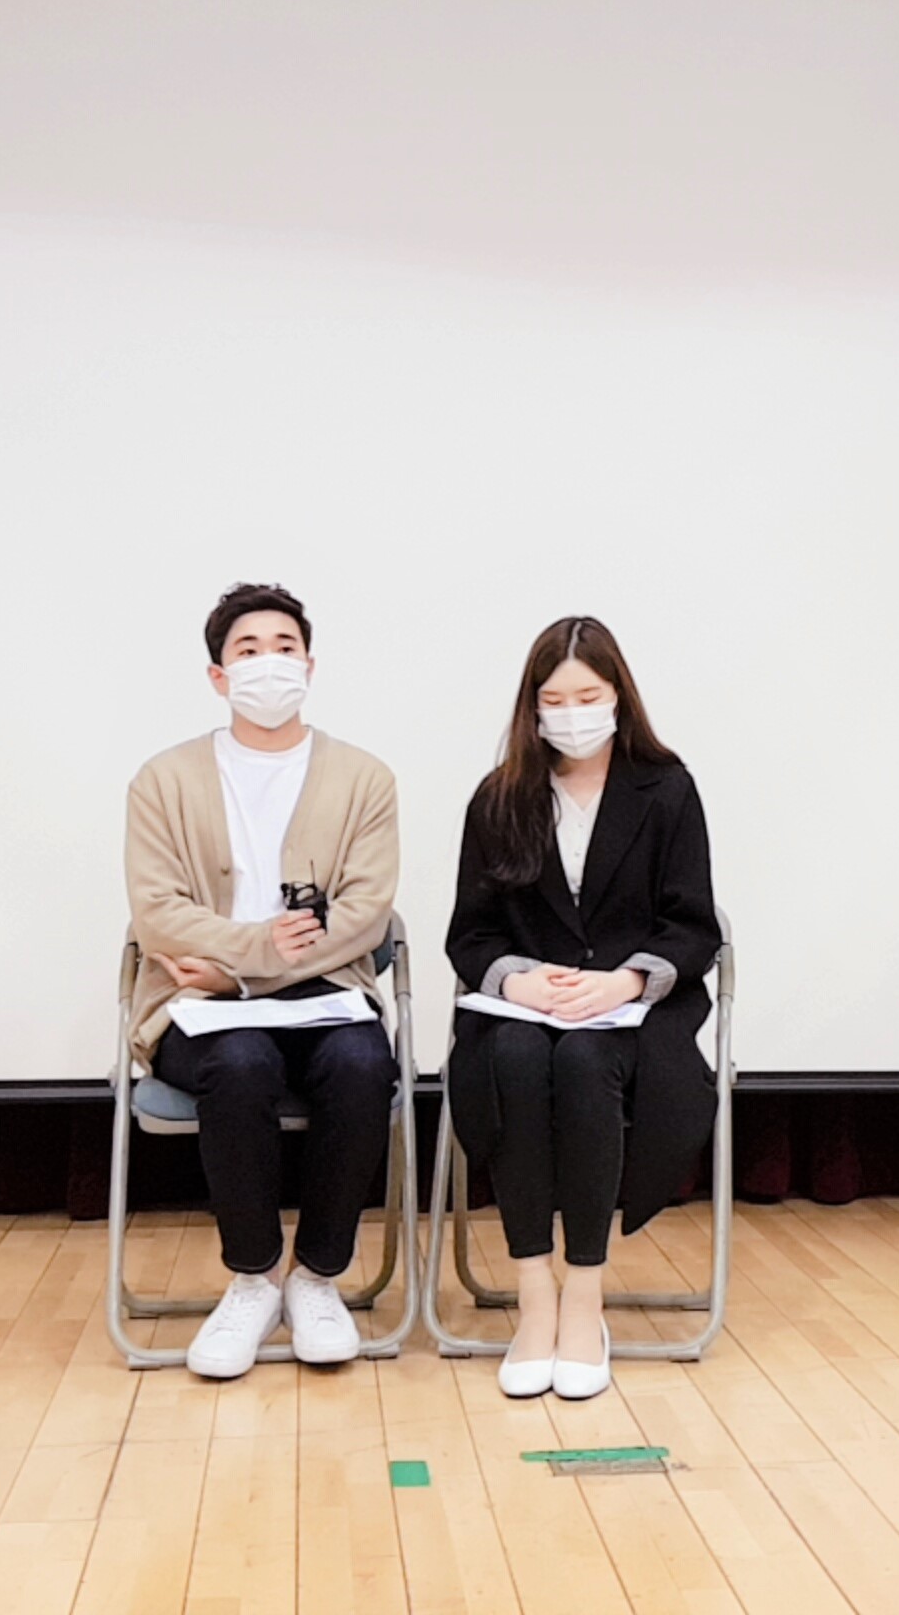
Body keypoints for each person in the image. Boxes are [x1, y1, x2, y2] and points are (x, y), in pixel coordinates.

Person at [124, 581, 400, 1379]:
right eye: (248, 650)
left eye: (285, 647)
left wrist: (244, 972)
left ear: (309, 666)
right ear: (219, 675)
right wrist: (248, 952)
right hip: (195, 1001)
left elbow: (365, 914)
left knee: (362, 1064)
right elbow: (158, 914)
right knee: (240, 1064)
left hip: (323, 993)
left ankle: (317, 1277)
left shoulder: (364, 778)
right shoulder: (163, 779)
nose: (268, 663)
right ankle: (254, 1279)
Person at [445, 616, 722, 1402]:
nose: (572, 714)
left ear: (618, 698)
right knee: (517, 1059)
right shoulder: (499, 798)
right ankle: (534, 1294)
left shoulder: (666, 790)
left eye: (589, 696)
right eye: (555, 700)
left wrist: (627, 982)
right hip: (524, 1011)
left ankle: (584, 1295)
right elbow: (470, 934)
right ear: (532, 708)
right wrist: (518, 982)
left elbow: (692, 925)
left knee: (584, 1060)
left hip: (631, 1014)